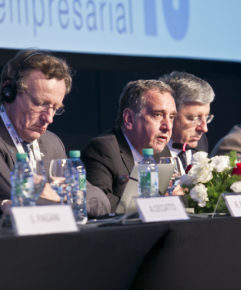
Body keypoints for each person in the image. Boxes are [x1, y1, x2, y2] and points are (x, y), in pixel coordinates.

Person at [0, 49, 110, 216]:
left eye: (55, 108)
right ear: (9, 92)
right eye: (40, 104)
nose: (49, 118)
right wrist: (69, 198)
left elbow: (100, 201)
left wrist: (60, 198)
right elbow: (21, 198)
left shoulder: (51, 143)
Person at [81, 80, 177, 211]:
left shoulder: (162, 152)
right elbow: (99, 202)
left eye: (171, 117)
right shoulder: (103, 149)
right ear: (129, 119)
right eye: (157, 115)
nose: (168, 126)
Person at [160, 71, 215, 172]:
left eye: (207, 117)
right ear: (170, 114)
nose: (204, 128)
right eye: (193, 118)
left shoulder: (201, 143)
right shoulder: (149, 146)